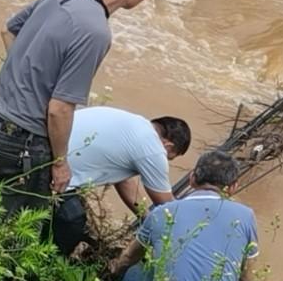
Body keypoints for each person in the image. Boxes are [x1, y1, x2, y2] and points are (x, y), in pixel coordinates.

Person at [0, 0, 161, 217]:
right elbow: (59, 108)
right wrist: (60, 163)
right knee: (19, 230)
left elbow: (8, 30)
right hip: (25, 142)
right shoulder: (96, 32)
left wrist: (24, 80)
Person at [109, 150, 260, 281]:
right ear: (233, 187)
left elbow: (128, 257)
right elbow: (247, 278)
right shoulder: (246, 216)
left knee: (134, 271)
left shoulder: (162, 212)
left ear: (192, 178)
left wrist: (113, 269)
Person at [50, 107, 192, 256]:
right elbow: (167, 206)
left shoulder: (135, 127)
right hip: (58, 173)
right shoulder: (153, 148)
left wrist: (146, 218)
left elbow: (125, 182)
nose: (165, 160)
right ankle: (50, 263)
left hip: (48, 154)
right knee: (72, 221)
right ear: (168, 146)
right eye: (169, 157)